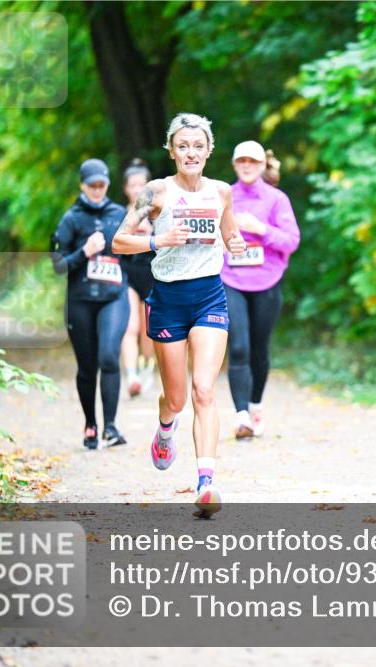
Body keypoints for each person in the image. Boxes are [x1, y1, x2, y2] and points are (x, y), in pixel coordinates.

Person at [112, 113, 247, 519]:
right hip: (168, 299)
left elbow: (230, 236)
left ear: (209, 150)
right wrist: (157, 239)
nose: (191, 152)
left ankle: (206, 482)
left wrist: (236, 244)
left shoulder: (222, 192)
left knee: (204, 390)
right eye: (183, 146)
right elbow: (120, 242)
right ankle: (166, 428)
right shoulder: (155, 192)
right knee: (176, 397)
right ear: (172, 151)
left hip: (209, 296)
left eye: (198, 146)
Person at [221, 140, 300, 439]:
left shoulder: (276, 199)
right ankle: (241, 415)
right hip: (232, 281)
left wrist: (260, 229)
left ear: (263, 165)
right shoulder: (224, 196)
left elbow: (291, 241)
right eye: (241, 160)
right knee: (238, 346)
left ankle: (255, 405)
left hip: (267, 282)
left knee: (259, 350)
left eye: (252, 161)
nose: (247, 165)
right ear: (234, 164)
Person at [51, 158, 131, 450]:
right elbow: (58, 266)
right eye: (92, 185)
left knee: (109, 356)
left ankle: (110, 426)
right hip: (80, 301)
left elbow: (135, 259)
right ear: (83, 185)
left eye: (102, 185)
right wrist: (84, 251)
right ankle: (91, 425)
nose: (98, 190)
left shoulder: (120, 214)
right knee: (87, 367)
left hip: (114, 298)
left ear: (108, 185)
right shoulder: (71, 219)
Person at [119, 158, 157, 397]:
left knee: (148, 330)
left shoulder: (158, 214)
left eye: (141, 185)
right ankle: (131, 375)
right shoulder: (118, 214)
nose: (136, 189)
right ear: (125, 188)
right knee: (130, 326)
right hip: (127, 275)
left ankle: (146, 369)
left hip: (153, 275)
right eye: (132, 185)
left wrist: (152, 233)